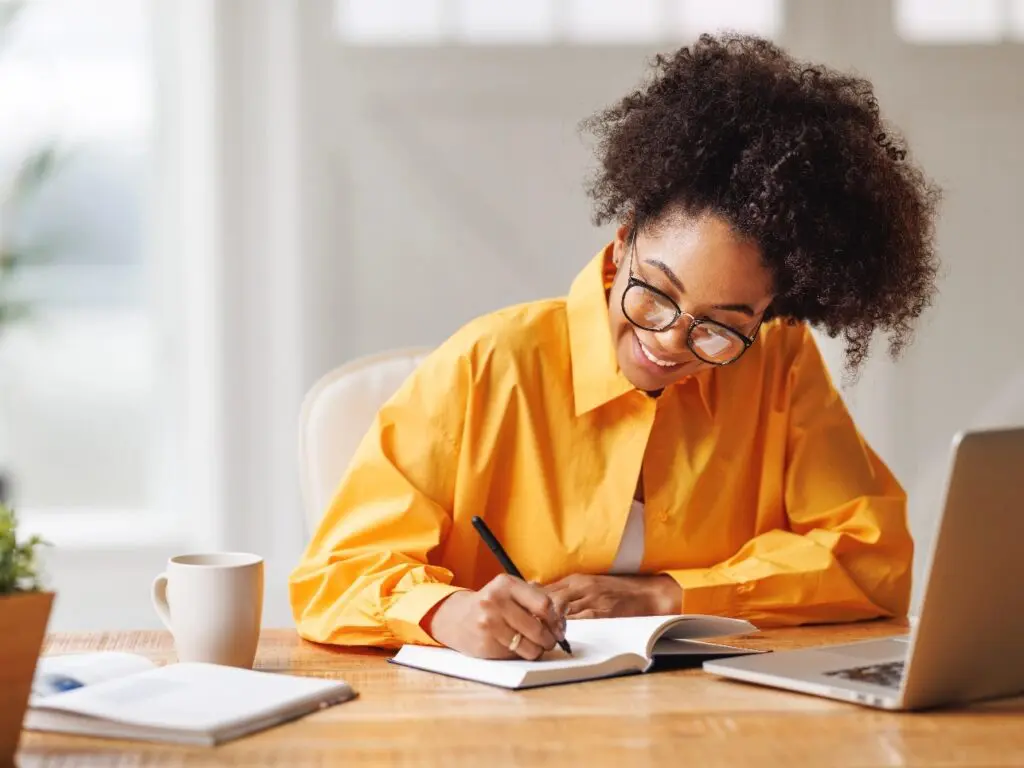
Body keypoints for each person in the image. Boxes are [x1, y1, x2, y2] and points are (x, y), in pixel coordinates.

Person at [289, 34, 940, 662]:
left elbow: (870, 560)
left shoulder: (779, 362)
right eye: (654, 293)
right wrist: (444, 612)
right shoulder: (488, 363)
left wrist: (669, 594)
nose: (668, 341)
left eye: (720, 326)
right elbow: (333, 577)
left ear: (771, 310)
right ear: (625, 239)